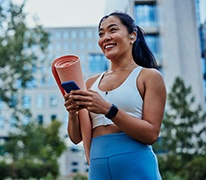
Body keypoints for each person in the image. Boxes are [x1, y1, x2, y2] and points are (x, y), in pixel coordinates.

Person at [63, 11, 166, 180]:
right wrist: (72, 113)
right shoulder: (90, 83)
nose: (106, 37)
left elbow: (151, 134)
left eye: (112, 30)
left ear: (132, 36)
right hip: (98, 168)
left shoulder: (149, 76)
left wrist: (107, 109)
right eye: (101, 33)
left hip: (136, 165)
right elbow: (75, 138)